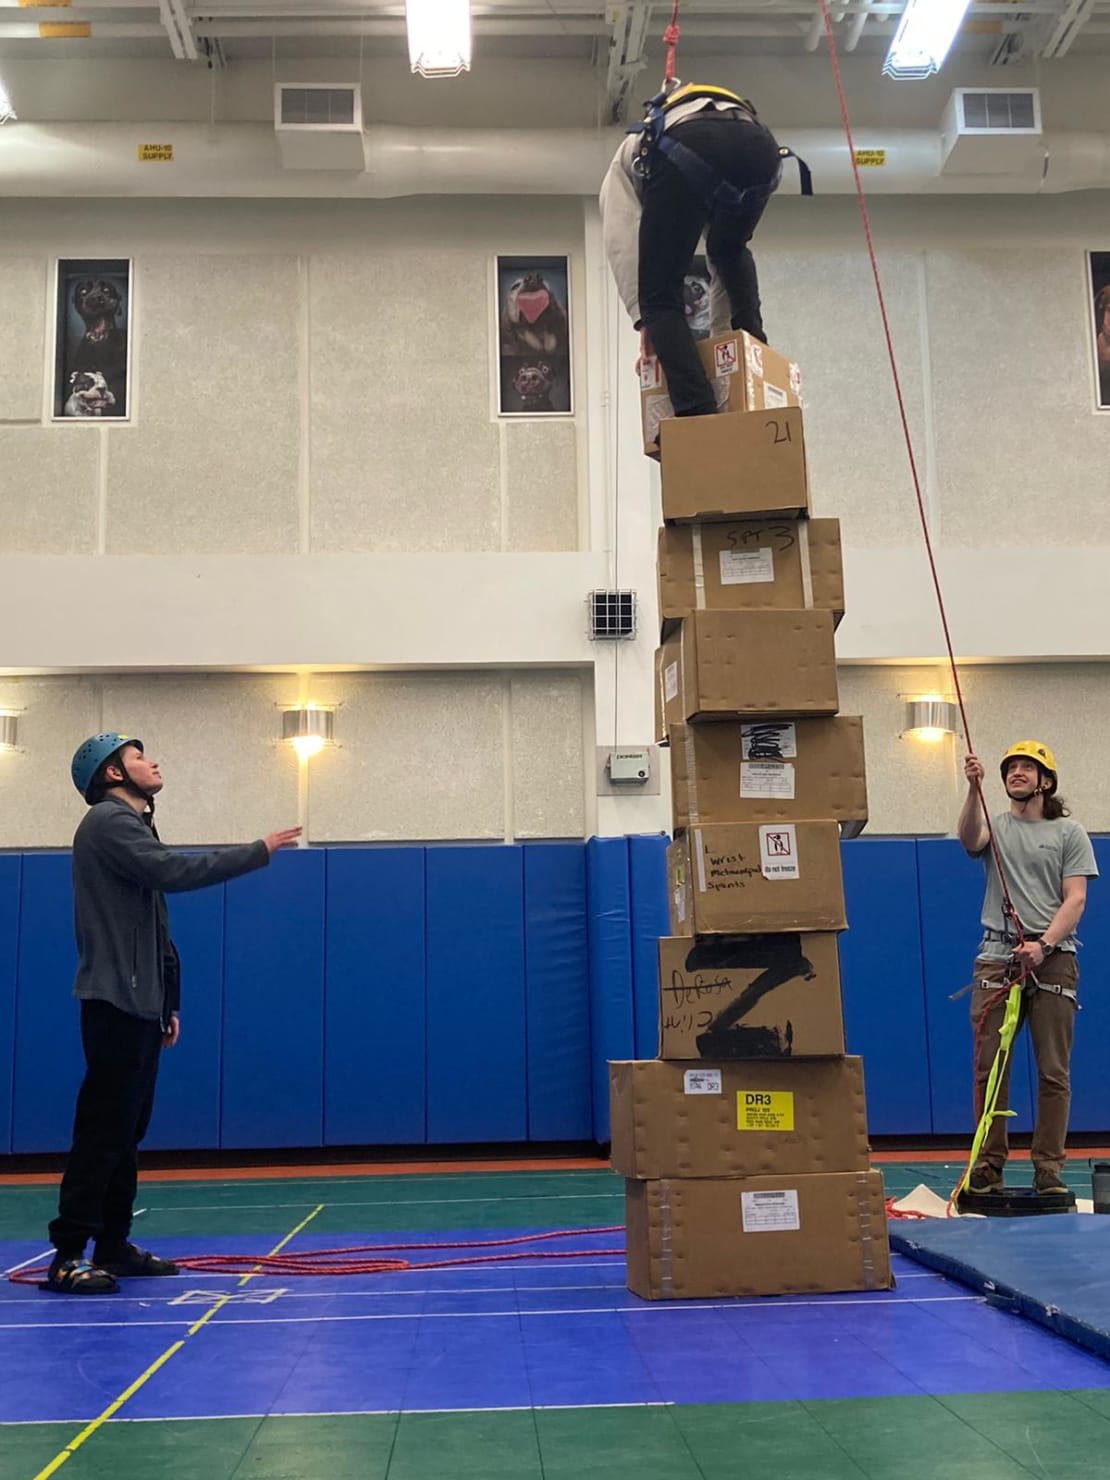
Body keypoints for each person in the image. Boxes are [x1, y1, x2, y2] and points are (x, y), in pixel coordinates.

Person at [42, 732, 301, 1294]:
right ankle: (66, 1255)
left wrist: (168, 1001)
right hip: (113, 1000)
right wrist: (256, 851)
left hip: (140, 1002)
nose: (151, 761)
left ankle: (112, 1246)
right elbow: (172, 874)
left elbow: (153, 923)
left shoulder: (133, 826)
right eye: (137, 757)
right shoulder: (110, 824)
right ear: (112, 774)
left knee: (127, 1131)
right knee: (103, 1130)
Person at [599, 79, 790, 419]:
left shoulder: (625, 166)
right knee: (729, 250)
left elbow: (622, 242)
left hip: (688, 144)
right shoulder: (665, 155)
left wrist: (644, 319)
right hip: (760, 146)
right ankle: (753, 380)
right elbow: (722, 264)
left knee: (659, 297)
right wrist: (724, 349)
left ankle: (698, 419)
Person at [957, 741, 1098, 1197]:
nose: (1016, 773)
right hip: (997, 958)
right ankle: (988, 1165)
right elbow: (968, 839)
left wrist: (1045, 944)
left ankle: (1048, 1169)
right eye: (1010, 768)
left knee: (1053, 1070)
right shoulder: (995, 827)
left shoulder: (1068, 833)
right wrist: (972, 788)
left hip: (1053, 961)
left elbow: (1075, 897)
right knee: (989, 1068)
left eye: (1026, 768)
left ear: (1046, 781)